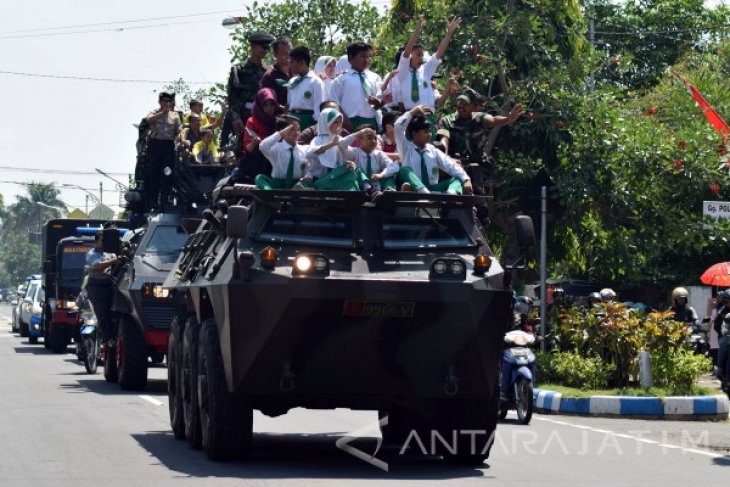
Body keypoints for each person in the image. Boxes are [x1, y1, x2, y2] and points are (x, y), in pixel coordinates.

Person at [394, 105, 472, 194]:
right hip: (416, 189)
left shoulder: (433, 150)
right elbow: (397, 126)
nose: (430, 135)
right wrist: (414, 111)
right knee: (404, 170)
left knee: (458, 179)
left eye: (430, 131)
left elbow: (450, 165)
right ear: (415, 133)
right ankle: (423, 192)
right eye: (426, 132)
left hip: (432, 190)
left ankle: (448, 197)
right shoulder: (406, 147)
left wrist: (466, 179)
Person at [398, 16, 461, 113]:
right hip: (411, 115)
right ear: (410, 56)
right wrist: (417, 31)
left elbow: (438, 54)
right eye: (418, 55)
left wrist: (449, 34)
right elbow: (406, 53)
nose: (421, 58)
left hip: (428, 115)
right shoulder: (403, 71)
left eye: (422, 55)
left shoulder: (425, 70)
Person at [225, 31, 275, 144]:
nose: (265, 50)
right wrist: (235, 117)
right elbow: (232, 96)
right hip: (244, 117)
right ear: (253, 46)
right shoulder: (239, 69)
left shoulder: (269, 71)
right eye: (263, 47)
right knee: (244, 150)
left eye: (267, 47)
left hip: (264, 117)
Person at [330, 42, 383, 133]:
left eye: (369, 56)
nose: (367, 60)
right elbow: (335, 104)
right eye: (362, 56)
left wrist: (377, 103)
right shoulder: (341, 79)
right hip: (349, 122)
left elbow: (380, 101)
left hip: (370, 122)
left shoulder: (375, 78)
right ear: (351, 58)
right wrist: (347, 124)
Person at [307, 108, 360, 190]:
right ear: (326, 123)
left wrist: (349, 163)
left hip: (336, 177)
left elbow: (350, 155)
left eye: (340, 122)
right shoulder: (317, 140)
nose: (338, 125)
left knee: (355, 170)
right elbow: (309, 153)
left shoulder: (339, 138)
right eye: (335, 122)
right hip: (320, 180)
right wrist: (332, 144)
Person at [85, 231, 123, 346]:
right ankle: (107, 338)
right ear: (96, 241)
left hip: (109, 286)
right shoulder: (92, 254)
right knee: (102, 313)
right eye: (102, 240)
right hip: (96, 287)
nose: (104, 242)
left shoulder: (110, 254)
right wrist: (115, 260)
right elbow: (98, 266)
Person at [338, 127, 400, 198]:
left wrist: (381, 175)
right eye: (370, 138)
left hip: (378, 188)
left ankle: (388, 196)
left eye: (375, 139)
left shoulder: (379, 154)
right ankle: (370, 192)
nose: (373, 141)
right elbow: (341, 145)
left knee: (389, 177)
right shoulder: (355, 152)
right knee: (356, 171)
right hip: (361, 189)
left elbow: (394, 166)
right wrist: (358, 134)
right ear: (360, 141)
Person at [145, 91, 181, 210]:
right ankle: (153, 202)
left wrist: (181, 140)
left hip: (168, 146)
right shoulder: (154, 112)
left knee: (167, 174)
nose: (167, 103)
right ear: (160, 102)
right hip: (155, 145)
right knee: (154, 174)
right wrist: (162, 113)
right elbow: (149, 120)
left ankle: (164, 201)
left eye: (169, 101)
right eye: (165, 101)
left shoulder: (175, 115)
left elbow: (178, 131)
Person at [256, 116, 310, 190]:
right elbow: (262, 146)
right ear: (283, 131)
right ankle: (270, 193)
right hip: (277, 184)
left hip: (296, 186)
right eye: (292, 129)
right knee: (259, 178)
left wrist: (303, 180)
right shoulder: (276, 148)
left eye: (298, 129)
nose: (296, 132)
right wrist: (280, 134)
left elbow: (307, 171)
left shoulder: (304, 149)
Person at [240, 88, 279, 181]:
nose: (269, 108)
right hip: (258, 162)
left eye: (272, 104)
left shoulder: (279, 120)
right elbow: (248, 148)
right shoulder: (252, 121)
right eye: (265, 105)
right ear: (259, 105)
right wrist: (255, 141)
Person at [287, 46, 327, 131]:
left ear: (302, 63)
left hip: (307, 122)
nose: (290, 66)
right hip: (292, 120)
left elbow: (319, 109)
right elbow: (289, 104)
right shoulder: (292, 81)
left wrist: (316, 128)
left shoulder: (316, 82)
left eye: (292, 62)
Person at [260, 36, 292, 108]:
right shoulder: (269, 76)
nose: (288, 55)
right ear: (275, 55)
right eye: (284, 53)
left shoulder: (297, 71)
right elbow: (266, 102)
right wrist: (282, 107)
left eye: (290, 51)